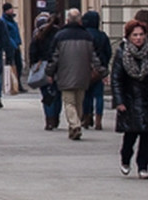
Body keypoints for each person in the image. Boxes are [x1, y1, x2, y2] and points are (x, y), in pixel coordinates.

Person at [111, 19, 148, 179]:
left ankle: (143, 165)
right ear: (129, 36)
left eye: (141, 35)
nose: (139, 38)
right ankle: (125, 159)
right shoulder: (122, 53)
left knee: (147, 135)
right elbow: (116, 79)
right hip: (130, 100)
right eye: (135, 35)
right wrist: (119, 101)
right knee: (130, 134)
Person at [45, 8, 106, 140]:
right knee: (78, 102)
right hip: (83, 75)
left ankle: (75, 124)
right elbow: (95, 57)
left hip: (65, 74)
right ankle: (74, 126)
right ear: (79, 21)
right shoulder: (87, 37)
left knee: (69, 102)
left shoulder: (60, 36)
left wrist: (49, 72)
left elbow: (53, 57)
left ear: (67, 20)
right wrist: (102, 72)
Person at [29, 12, 62, 130]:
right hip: (57, 66)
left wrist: (33, 64)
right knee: (57, 94)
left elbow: (32, 53)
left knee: (46, 94)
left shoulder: (38, 35)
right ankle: (55, 117)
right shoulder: (58, 34)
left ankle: (49, 119)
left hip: (42, 66)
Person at [81, 9, 112, 130]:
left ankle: (87, 117)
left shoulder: (84, 35)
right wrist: (104, 66)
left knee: (86, 95)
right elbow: (108, 52)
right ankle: (99, 120)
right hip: (99, 71)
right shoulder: (102, 36)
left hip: (85, 69)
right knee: (99, 96)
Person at [2, 3, 26, 93]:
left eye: (11, 9)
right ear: (5, 11)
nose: (12, 10)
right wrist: (13, 45)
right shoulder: (4, 21)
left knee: (18, 66)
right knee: (11, 65)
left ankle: (18, 84)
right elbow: (7, 36)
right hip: (11, 47)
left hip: (16, 45)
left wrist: (18, 42)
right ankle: (10, 85)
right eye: (9, 9)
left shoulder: (12, 20)